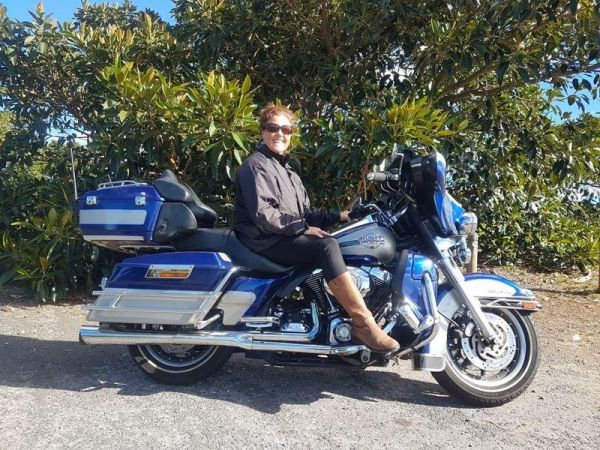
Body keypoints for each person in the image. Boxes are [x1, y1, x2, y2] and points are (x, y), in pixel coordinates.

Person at [234, 103, 399, 354]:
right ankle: (363, 323)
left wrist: (343, 216)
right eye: (273, 127)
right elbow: (265, 215)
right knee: (326, 245)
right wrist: (302, 228)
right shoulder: (256, 165)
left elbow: (307, 213)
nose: (280, 134)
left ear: (291, 134)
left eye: (286, 129)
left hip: (279, 233)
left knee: (338, 240)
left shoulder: (288, 171)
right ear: (263, 131)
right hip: (264, 239)